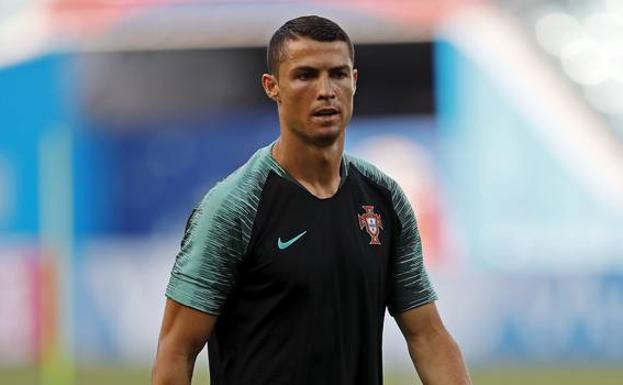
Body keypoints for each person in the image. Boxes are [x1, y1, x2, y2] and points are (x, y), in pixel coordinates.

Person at [152, 15, 471, 385]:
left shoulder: (384, 199)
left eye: (337, 74)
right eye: (305, 75)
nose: (326, 90)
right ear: (273, 87)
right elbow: (177, 349)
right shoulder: (234, 206)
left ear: (353, 82)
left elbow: (428, 335)